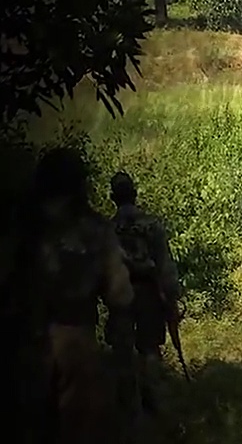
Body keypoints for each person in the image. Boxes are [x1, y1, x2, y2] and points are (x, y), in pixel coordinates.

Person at [26, 148, 136, 442]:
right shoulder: (94, 229)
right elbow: (121, 293)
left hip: (20, 342)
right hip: (74, 341)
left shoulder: (22, 226)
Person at [109, 172, 181, 424]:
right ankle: (153, 402)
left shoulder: (108, 229)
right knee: (149, 348)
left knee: (123, 351)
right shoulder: (151, 224)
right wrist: (171, 298)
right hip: (149, 293)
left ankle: (129, 407)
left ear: (112, 197)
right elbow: (164, 264)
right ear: (135, 193)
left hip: (119, 294)